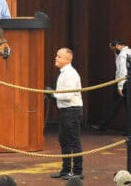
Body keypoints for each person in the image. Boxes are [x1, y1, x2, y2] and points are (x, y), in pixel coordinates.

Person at [91, 39, 131, 133]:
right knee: (129, 106)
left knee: (114, 105)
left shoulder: (122, 55)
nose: (113, 51)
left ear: (117, 45)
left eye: (113, 49)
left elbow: (122, 71)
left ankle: (103, 125)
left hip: (123, 82)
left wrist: (120, 86)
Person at [50, 48, 84, 181]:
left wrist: (52, 93)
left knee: (73, 140)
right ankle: (65, 170)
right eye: (56, 56)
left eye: (59, 56)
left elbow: (69, 95)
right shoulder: (64, 72)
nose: (56, 58)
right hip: (66, 111)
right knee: (64, 140)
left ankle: (77, 172)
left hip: (72, 110)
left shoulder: (70, 73)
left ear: (67, 59)